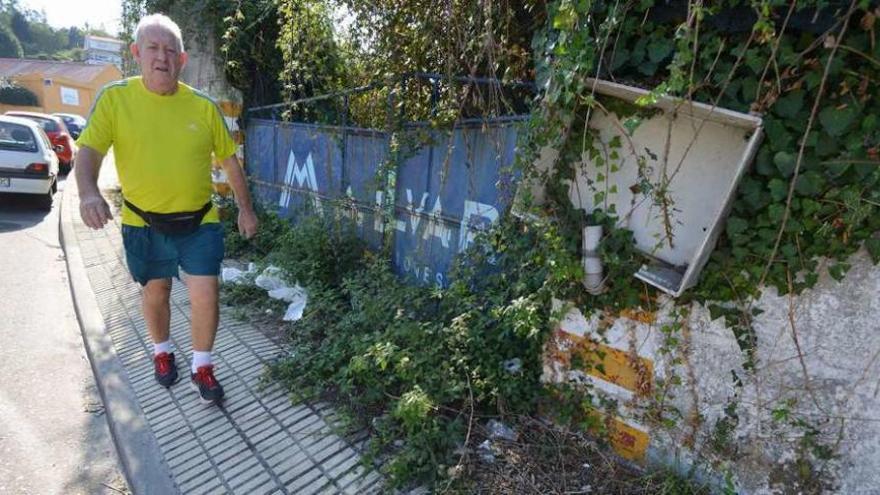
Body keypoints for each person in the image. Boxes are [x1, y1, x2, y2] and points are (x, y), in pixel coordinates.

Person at [75, 13, 258, 405]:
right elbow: (88, 152)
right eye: (153, 48)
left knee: (206, 292)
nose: (162, 57)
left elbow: (230, 163)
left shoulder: (204, 107)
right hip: (143, 222)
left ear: (182, 60)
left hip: (199, 221)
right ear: (137, 53)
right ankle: (162, 352)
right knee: (155, 292)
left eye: (170, 50)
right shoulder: (115, 99)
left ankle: (202, 367)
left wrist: (246, 209)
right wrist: (88, 193)